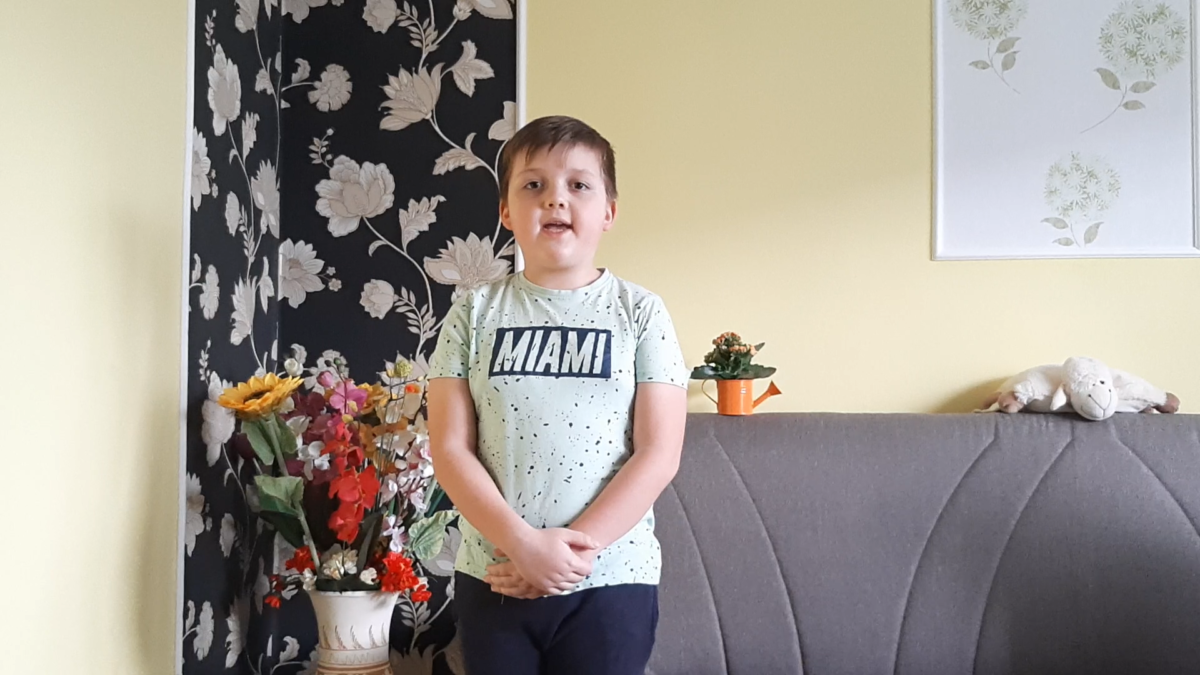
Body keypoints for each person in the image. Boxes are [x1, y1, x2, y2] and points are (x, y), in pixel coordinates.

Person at [426, 115, 689, 675]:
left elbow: (659, 453)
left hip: (611, 580)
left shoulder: (641, 313)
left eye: (578, 185)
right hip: (496, 574)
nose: (555, 199)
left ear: (609, 211)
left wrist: (565, 558)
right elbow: (449, 450)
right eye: (534, 184)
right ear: (506, 211)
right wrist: (523, 547)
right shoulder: (472, 313)